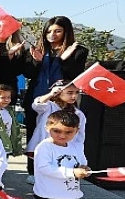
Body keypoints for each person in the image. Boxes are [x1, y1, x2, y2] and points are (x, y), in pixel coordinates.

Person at [22, 16, 88, 158]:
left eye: (58, 31)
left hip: (62, 101)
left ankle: (62, 162)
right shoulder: (37, 49)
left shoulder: (78, 51)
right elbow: (28, 74)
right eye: (49, 31)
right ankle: (34, 169)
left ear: (66, 32)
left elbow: (75, 75)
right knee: (35, 134)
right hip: (38, 98)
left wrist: (64, 59)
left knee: (61, 132)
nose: (52, 35)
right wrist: (36, 62)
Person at [25, 80, 86, 184]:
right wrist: (50, 94)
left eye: (76, 93)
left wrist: (78, 150)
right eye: (70, 92)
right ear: (59, 92)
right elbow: (37, 105)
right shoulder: (49, 106)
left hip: (66, 146)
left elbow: (80, 136)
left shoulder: (78, 113)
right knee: (45, 166)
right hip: (48, 143)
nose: (74, 96)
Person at [0, 84, 23, 157]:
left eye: (9, 97)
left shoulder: (9, 110)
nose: (7, 100)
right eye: (2, 97)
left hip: (6, 144)